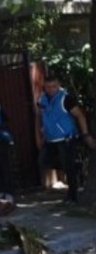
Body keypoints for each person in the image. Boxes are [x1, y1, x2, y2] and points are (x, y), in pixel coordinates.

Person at [36, 74, 96, 203]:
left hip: (66, 138)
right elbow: (39, 117)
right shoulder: (42, 99)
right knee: (43, 162)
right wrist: (39, 136)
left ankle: (72, 195)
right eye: (48, 87)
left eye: (54, 86)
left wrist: (85, 134)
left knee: (68, 166)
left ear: (59, 85)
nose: (51, 89)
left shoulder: (65, 98)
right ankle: (76, 172)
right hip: (50, 139)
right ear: (44, 87)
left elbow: (80, 115)